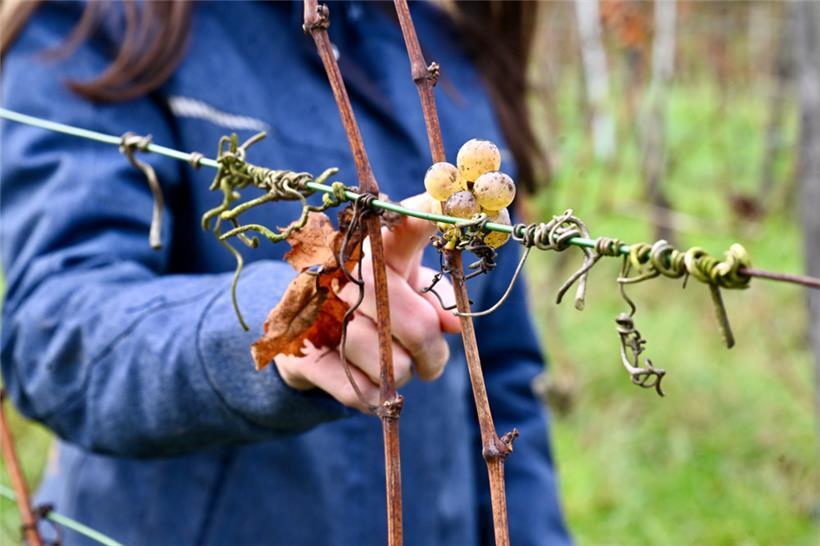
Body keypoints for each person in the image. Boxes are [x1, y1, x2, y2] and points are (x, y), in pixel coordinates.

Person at [1, 1, 571, 544]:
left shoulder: (438, 59)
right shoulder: (100, 27)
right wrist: (299, 312)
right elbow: (54, 327)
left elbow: (502, 377)